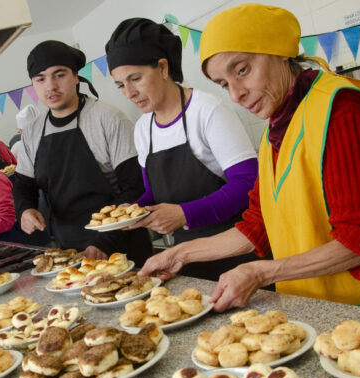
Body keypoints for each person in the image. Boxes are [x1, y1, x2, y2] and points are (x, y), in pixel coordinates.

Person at [140, 4, 360, 322]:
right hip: (320, 311)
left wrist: (261, 272)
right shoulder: (274, 132)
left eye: (242, 70)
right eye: (223, 84)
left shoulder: (340, 111)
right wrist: (178, 254)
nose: (236, 94)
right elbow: (257, 227)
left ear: (279, 51)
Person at [105, 18, 261, 280]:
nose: (129, 93)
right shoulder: (145, 127)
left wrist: (184, 214)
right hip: (185, 259)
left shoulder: (208, 110)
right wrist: (126, 213)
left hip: (237, 254)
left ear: (163, 67)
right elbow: (153, 192)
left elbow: (249, 185)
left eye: (136, 78)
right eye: (121, 85)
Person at [12, 40, 153, 266]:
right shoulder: (32, 132)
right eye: (41, 79)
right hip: (69, 252)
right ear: (33, 84)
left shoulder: (107, 118)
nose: (51, 86)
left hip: (122, 248)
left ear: (76, 76)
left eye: (59, 75)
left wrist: (103, 242)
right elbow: (23, 185)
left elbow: (135, 186)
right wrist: (25, 209)